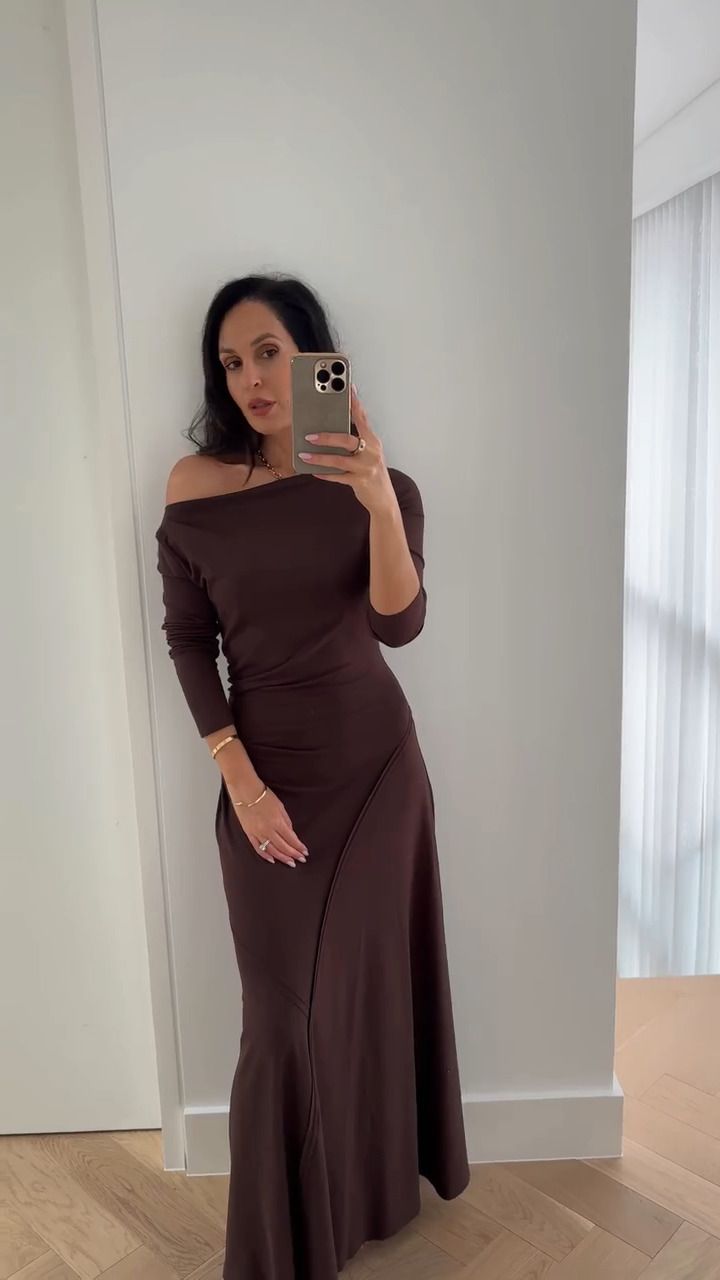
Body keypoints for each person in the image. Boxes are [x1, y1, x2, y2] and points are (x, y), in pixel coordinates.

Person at [155, 273, 470, 1279]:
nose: (250, 378)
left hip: (376, 775)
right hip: (265, 778)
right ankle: (277, 1248)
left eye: (270, 353)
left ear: (315, 359)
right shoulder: (194, 486)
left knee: (370, 997)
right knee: (282, 1020)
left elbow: (398, 625)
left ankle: (368, 1201)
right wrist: (241, 783)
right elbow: (188, 643)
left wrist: (376, 499)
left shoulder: (384, 484)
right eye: (231, 361)